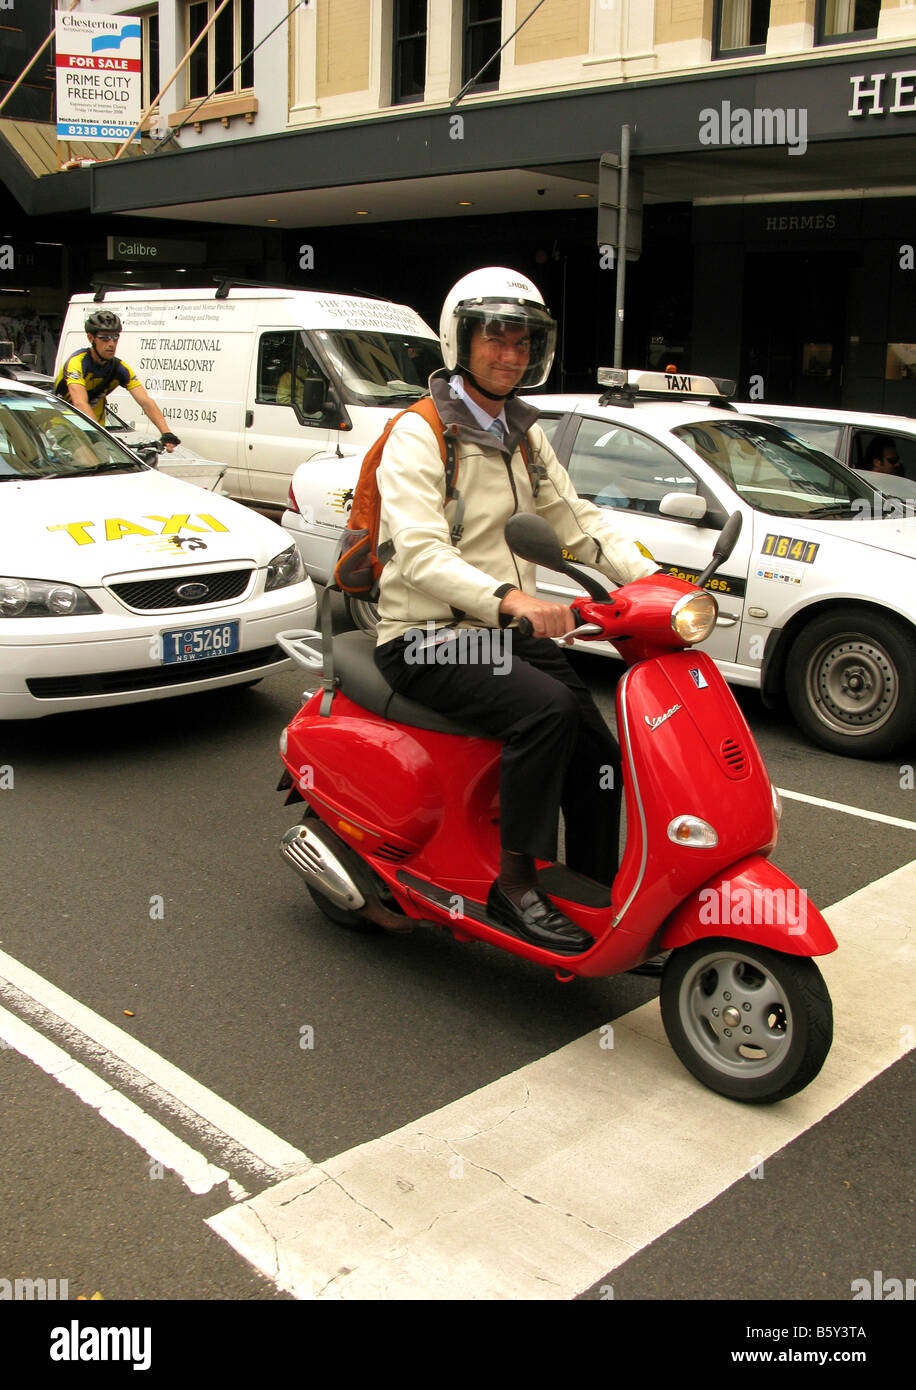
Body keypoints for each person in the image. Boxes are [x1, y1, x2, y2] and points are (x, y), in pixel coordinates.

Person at [372, 267, 657, 953]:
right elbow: (419, 554)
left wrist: (654, 580)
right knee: (547, 710)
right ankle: (516, 883)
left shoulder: (524, 435)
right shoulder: (419, 433)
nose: (511, 354)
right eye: (495, 338)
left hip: (499, 634)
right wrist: (512, 600)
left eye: (524, 342)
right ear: (460, 342)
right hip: (427, 638)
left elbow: (578, 522)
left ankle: (589, 882)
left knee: (600, 749)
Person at [54, 310, 180, 452]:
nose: (111, 344)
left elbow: (145, 401)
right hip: (64, 426)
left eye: (115, 338)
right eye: (105, 338)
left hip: (96, 431)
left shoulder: (119, 368)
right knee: (88, 458)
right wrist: (101, 435)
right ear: (91, 338)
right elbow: (80, 402)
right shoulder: (78, 362)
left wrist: (166, 433)